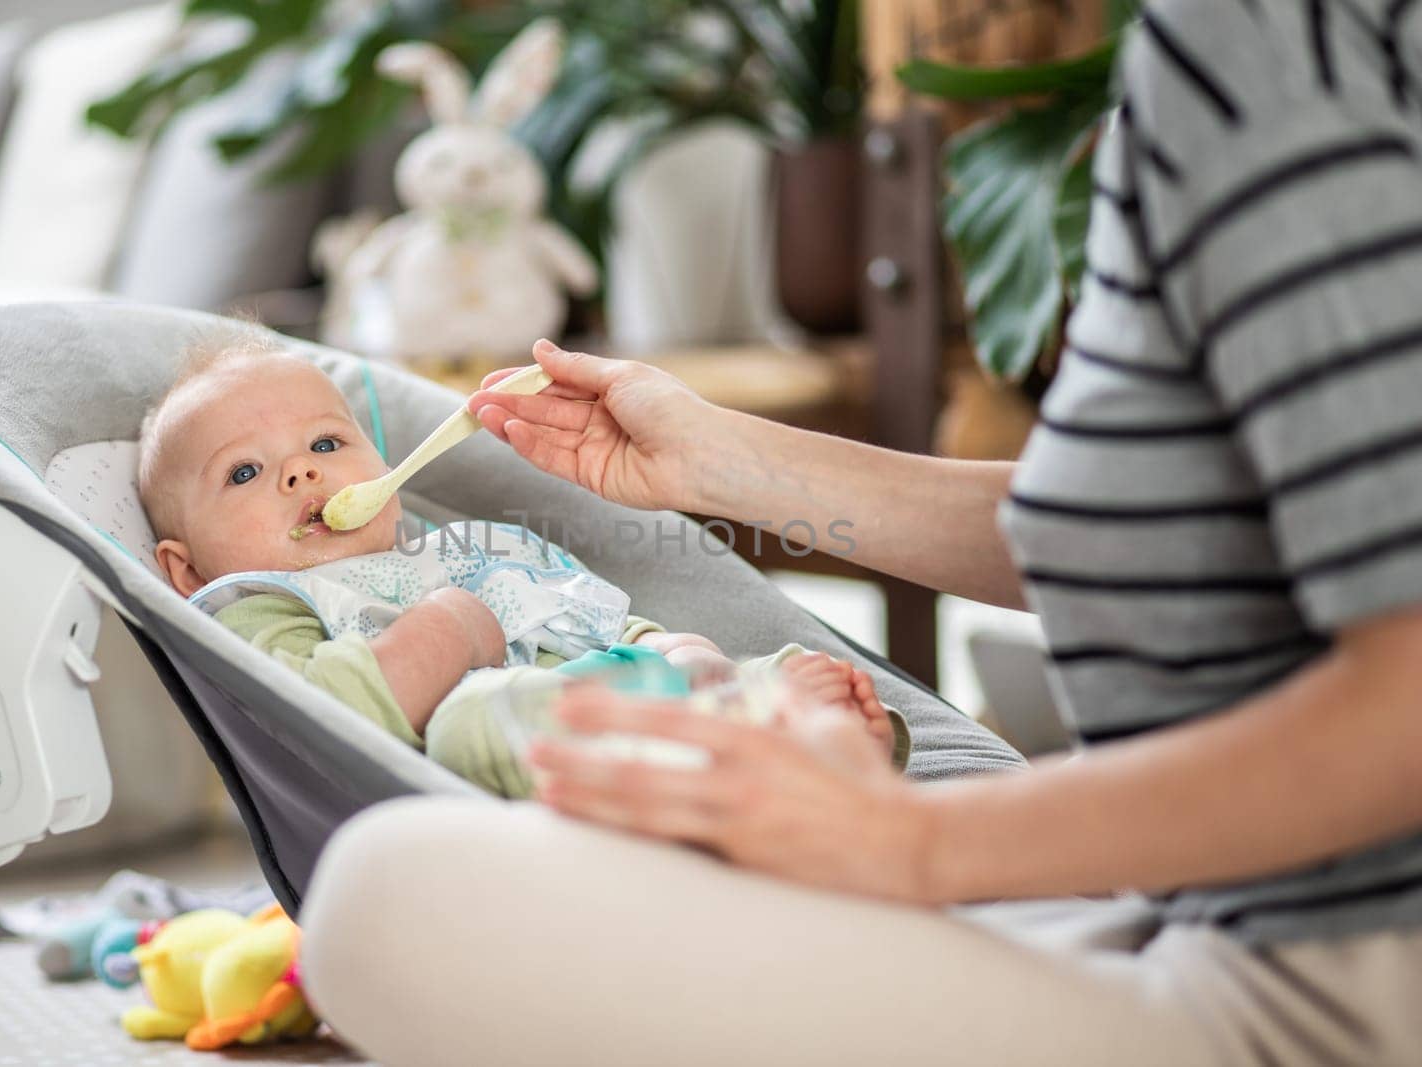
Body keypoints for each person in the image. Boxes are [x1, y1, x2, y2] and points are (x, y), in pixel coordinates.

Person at [294, 3, 1422, 1063]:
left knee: (383, 899)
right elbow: (1191, 538)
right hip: (1214, 896)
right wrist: (716, 460)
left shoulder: (1276, 55)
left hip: (1327, 965)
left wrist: (907, 843)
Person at [136, 336, 907, 796]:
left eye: (327, 444)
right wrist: (449, 630)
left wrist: (683, 653)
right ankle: (743, 728)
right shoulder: (257, 604)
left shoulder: (463, 555)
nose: (301, 473)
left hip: (621, 711)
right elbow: (318, 714)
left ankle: (766, 718)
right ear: (187, 570)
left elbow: (595, 625)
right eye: (243, 473)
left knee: (715, 655)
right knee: (471, 720)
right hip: (487, 771)